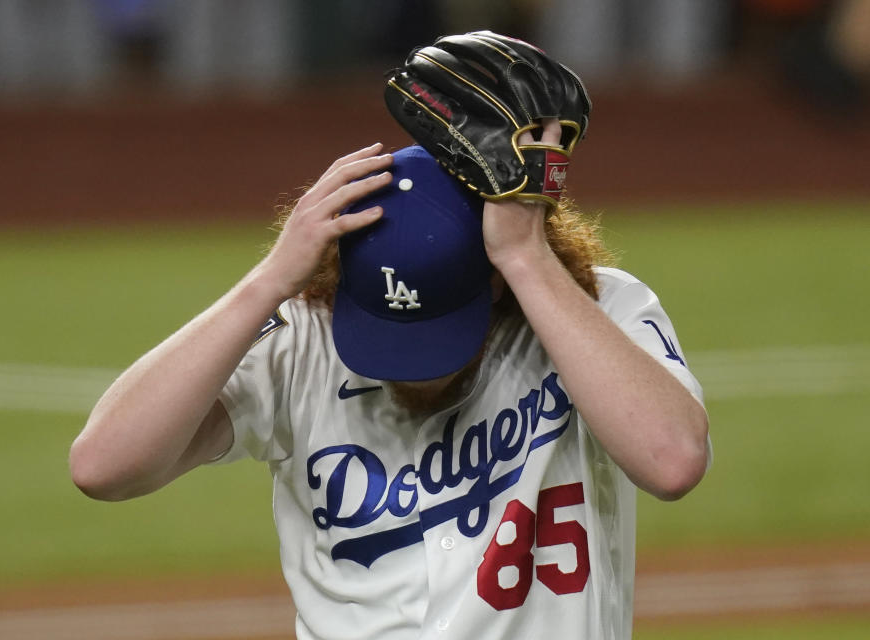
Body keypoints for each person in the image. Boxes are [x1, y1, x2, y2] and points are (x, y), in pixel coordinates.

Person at [70, 118, 710, 638]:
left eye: (435, 332)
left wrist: (526, 255)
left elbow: (672, 461)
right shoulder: (303, 340)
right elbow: (104, 465)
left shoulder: (592, 311)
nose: (414, 369)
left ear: (492, 283)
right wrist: (266, 282)